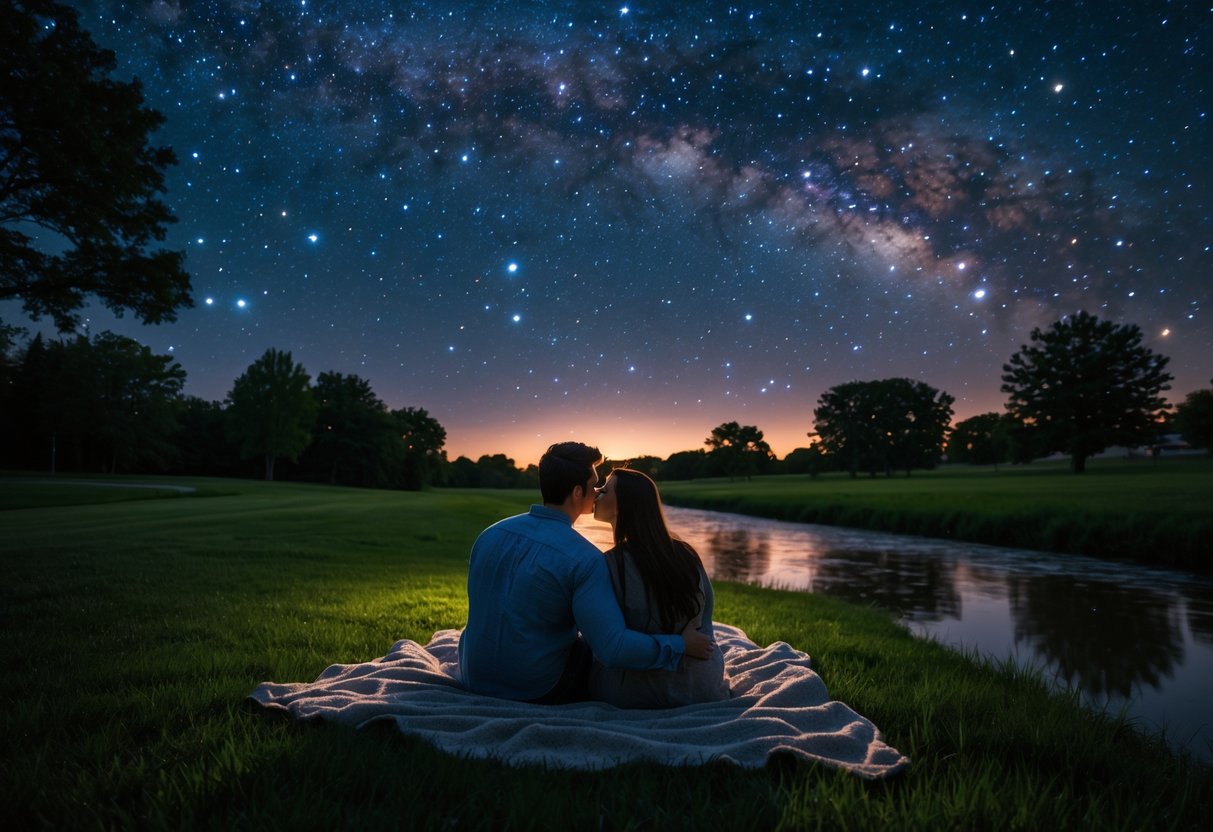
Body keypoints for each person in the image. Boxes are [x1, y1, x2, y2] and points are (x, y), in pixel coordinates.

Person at [458, 442, 715, 704]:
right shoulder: (584, 558)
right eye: (594, 485)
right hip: (535, 688)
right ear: (578, 492)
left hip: (472, 675)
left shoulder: (489, 534)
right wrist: (679, 644)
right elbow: (612, 648)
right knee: (589, 648)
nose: (597, 491)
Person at [588, 468, 730, 708]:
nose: (596, 493)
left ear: (624, 504)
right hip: (701, 684)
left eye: (605, 489)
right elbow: (704, 624)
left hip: (635, 692)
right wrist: (682, 642)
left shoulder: (608, 564)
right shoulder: (686, 553)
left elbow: (611, 647)